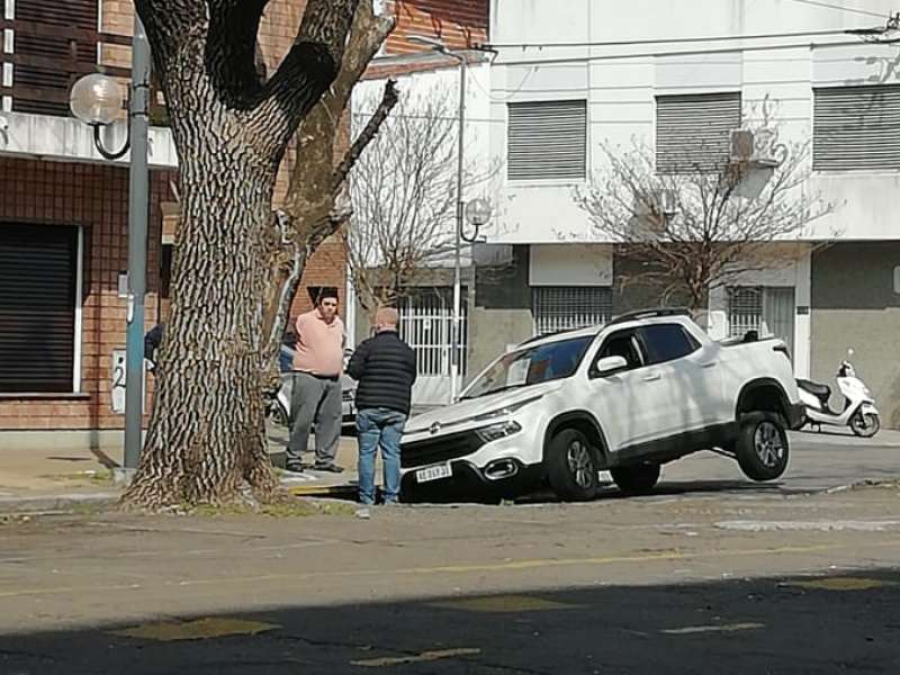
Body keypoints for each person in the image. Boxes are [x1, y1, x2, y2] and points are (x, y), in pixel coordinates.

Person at [347, 306, 417, 518]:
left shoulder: (368, 346)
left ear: (378, 323)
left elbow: (354, 371)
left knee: (367, 453)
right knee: (392, 453)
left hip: (369, 404)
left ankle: (366, 497)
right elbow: (411, 377)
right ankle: (391, 496)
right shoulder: (407, 350)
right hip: (396, 406)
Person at [286, 288, 346, 474]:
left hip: (333, 378)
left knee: (331, 420)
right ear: (319, 304)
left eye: (333, 305)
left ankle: (325, 459)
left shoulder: (338, 323)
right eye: (326, 304)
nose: (330, 308)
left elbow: (341, 345)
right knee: (302, 419)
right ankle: (294, 456)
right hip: (308, 375)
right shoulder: (305, 320)